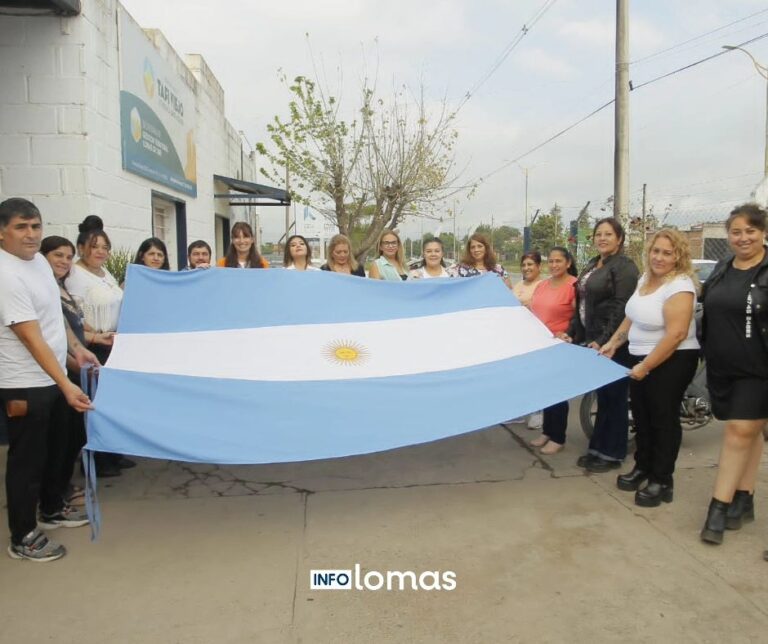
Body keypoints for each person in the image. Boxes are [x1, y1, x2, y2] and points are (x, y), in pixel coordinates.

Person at [0, 198, 97, 562]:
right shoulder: (6, 275)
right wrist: (66, 383)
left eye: (35, 226)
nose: (30, 234)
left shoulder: (38, 262)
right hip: (24, 383)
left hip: (53, 376)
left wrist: (76, 351)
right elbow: (30, 336)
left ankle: (52, 508)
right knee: (28, 461)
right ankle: (23, 535)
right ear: (2, 232)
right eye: (21, 227)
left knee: (59, 447)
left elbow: (54, 316)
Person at [599, 229, 700, 506]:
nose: (659, 257)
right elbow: (631, 317)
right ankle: (643, 467)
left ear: (678, 256)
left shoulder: (680, 285)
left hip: (672, 360)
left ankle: (662, 480)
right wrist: (613, 343)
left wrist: (646, 366)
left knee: (662, 420)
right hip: (640, 357)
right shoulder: (645, 278)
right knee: (642, 417)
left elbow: (676, 334)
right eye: (656, 251)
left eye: (667, 253)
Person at [699, 203, 768, 545]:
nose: (743, 238)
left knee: (739, 432)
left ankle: (719, 508)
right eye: (736, 232)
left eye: (750, 231)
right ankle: (745, 497)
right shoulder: (723, 266)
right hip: (723, 366)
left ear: (763, 233)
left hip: (759, 369)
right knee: (749, 432)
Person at [562, 217, 639, 473]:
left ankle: (613, 453)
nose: (602, 238)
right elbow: (582, 304)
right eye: (598, 234)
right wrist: (572, 333)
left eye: (608, 234)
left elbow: (622, 307)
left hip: (614, 343)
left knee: (615, 398)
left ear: (620, 239)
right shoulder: (594, 264)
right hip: (592, 339)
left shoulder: (624, 267)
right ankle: (597, 448)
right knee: (603, 397)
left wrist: (605, 340)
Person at [40, 236, 116, 498]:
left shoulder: (59, 287)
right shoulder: (45, 289)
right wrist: (74, 364)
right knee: (59, 438)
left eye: (67, 256)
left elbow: (72, 329)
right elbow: (45, 337)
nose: (64, 261)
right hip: (54, 373)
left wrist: (90, 344)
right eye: (57, 255)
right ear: (43, 258)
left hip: (74, 366)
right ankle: (52, 497)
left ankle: (60, 488)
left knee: (72, 434)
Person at [65, 216, 128, 476]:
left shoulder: (105, 273)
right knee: (96, 403)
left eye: (105, 247)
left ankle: (113, 453)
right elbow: (75, 316)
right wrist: (94, 336)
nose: (100, 252)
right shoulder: (75, 276)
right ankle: (96, 459)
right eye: (95, 247)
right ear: (81, 249)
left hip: (112, 343)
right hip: (93, 345)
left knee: (112, 402)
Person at [528, 247, 578, 454]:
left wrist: (567, 333)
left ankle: (558, 437)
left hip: (560, 345)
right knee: (545, 390)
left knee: (558, 391)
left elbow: (579, 316)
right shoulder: (542, 285)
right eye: (551, 261)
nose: (554, 265)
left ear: (568, 263)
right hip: (541, 345)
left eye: (558, 261)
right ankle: (547, 431)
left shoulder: (574, 285)